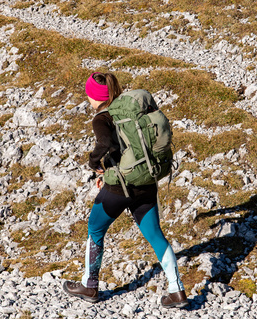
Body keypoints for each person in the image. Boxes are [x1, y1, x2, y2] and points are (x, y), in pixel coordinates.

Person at [62, 72, 188, 308]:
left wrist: (93, 164)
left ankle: (89, 286)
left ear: (94, 96)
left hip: (119, 187)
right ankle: (176, 290)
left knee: (95, 228)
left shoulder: (101, 118)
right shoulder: (129, 112)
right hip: (146, 183)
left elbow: (106, 144)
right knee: (155, 235)